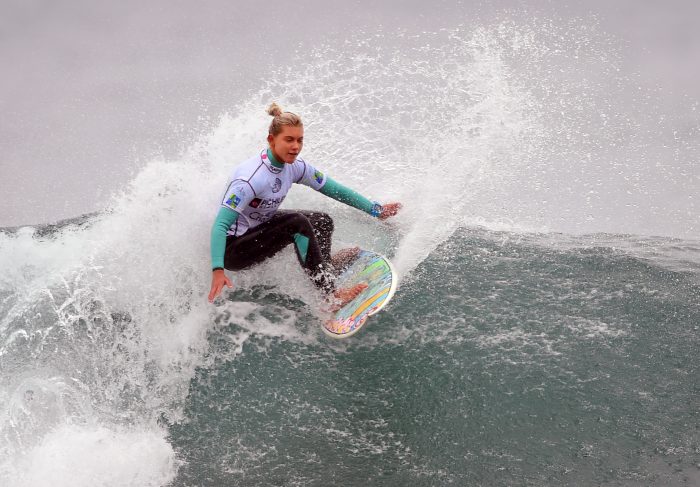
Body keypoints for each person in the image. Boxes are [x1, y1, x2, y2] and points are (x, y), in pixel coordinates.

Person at [208, 103, 402, 304]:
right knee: (297, 222)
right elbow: (220, 225)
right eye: (289, 140)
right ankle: (330, 296)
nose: (296, 147)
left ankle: (326, 267)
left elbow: (335, 189)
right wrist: (217, 269)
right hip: (234, 250)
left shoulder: (295, 166)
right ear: (271, 140)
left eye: (300, 140)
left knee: (322, 221)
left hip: (257, 227)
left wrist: (375, 210)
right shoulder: (250, 179)